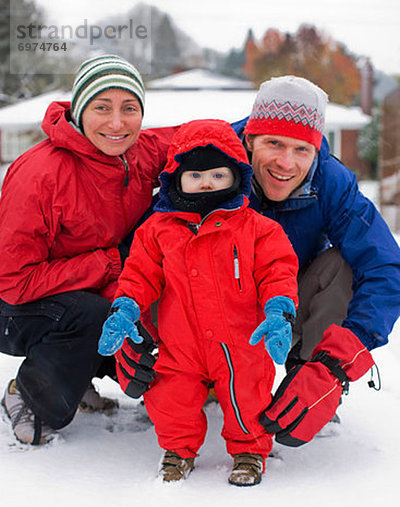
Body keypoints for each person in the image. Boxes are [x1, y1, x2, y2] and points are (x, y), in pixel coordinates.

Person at [119, 76, 400, 449]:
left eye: (302, 149)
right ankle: (192, 380)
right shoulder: (207, 164)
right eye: (274, 143)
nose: (286, 163)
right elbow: (146, 249)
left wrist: (339, 365)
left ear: (316, 151)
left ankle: (308, 378)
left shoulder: (332, 183)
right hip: (197, 314)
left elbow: (384, 268)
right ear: (249, 139)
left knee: (343, 267)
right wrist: (133, 322)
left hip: (279, 308)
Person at [98, 118, 299, 486]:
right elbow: (140, 274)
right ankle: (178, 450)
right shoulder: (157, 231)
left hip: (241, 343)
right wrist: (125, 305)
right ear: (175, 181)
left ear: (236, 177)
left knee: (247, 397)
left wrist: (278, 308)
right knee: (170, 398)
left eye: (217, 175)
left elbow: (278, 271)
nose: (206, 182)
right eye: (195, 176)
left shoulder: (258, 228)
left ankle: (249, 451)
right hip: (180, 342)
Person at [0, 54, 177, 446]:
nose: (117, 123)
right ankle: (28, 397)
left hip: (79, 285)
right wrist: (109, 264)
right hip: (13, 302)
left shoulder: (138, 152)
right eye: (102, 108)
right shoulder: (40, 175)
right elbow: (13, 282)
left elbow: (204, 138)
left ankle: (77, 378)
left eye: (129, 108)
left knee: (134, 302)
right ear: (80, 112)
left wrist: (282, 138)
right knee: (93, 313)